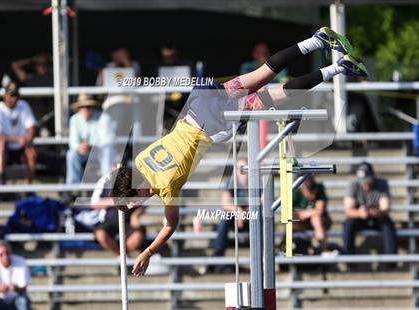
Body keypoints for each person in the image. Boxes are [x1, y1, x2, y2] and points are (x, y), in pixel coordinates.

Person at [110, 27, 368, 276]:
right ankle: (317, 40)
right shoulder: (142, 160)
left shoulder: (167, 187)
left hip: (213, 123)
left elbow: (170, 225)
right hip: (201, 101)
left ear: (139, 189)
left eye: (135, 201)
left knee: (275, 95)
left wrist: (148, 251)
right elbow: (124, 173)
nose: (139, 204)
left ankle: (338, 67)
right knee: (263, 73)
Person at [342, 162, 397, 255]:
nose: (365, 185)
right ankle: (348, 257)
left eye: (368, 181)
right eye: (363, 182)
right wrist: (360, 213)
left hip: (378, 217)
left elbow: (385, 207)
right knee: (348, 224)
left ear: (373, 176)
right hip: (359, 218)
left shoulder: (382, 183)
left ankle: (391, 258)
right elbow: (348, 210)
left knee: (388, 224)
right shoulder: (353, 184)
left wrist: (377, 212)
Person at [91, 173, 147, 256]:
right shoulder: (105, 181)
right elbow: (94, 204)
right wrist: (115, 201)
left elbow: (144, 202)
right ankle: (122, 257)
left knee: (138, 235)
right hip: (109, 221)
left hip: (128, 221)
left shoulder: (134, 180)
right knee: (100, 234)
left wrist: (135, 215)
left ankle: (123, 258)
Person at [66, 94, 112, 184]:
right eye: (83, 106)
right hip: (83, 153)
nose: (86, 109)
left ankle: (107, 185)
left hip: (98, 151)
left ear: (93, 107)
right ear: (79, 108)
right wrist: (80, 147)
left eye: (88, 106)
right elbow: (73, 142)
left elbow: (107, 139)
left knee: (106, 152)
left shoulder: (103, 118)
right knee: (71, 155)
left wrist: (92, 146)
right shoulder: (74, 119)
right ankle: (72, 187)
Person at [0, 82, 37, 184]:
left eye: (16, 95)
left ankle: (29, 188)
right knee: (1, 145)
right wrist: (17, 139)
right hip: (6, 147)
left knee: (31, 153)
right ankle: (1, 183)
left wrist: (27, 140)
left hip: (21, 146)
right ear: (4, 96)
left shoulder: (24, 105)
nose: (14, 98)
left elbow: (31, 127)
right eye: (11, 95)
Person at [293, 175, 331, 252]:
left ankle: (322, 247)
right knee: (292, 221)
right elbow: (291, 212)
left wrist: (307, 213)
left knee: (316, 219)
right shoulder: (296, 191)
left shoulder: (319, 188)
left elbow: (320, 210)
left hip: (320, 222)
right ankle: (305, 245)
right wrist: (306, 213)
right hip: (301, 223)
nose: (311, 193)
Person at [0, 241, 31, 310]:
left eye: (7, 253)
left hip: (17, 298)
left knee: (22, 300)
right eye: (1, 254)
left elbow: (24, 288)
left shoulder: (21, 261)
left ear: (11, 252)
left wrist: (15, 288)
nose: (5, 256)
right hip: (0, 300)